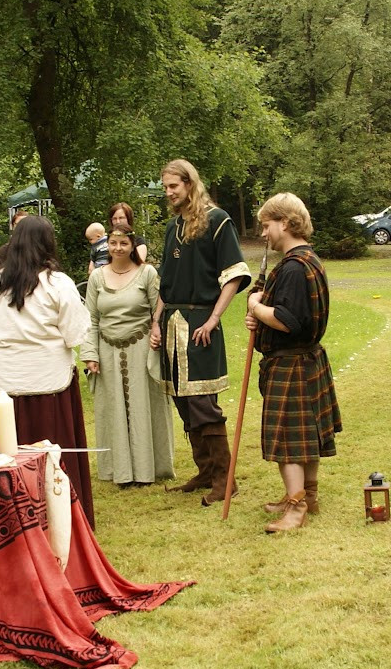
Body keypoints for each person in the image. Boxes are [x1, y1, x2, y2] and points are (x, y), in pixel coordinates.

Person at [0, 216, 94, 523]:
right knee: (53, 458)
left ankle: (6, 519)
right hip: (48, 386)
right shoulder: (58, 283)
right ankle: (61, 519)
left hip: (7, 384)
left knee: (6, 454)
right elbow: (75, 334)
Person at [150, 159, 251, 505]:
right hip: (172, 324)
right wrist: (155, 324)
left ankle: (226, 479)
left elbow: (235, 274)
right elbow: (166, 285)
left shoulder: (217, 220)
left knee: (203, 403)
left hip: (199, 326)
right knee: (183, 401)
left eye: (172, 186)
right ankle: (206, 470)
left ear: (189, 184)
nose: (168, 192)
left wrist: (213, 319)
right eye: (165, 187)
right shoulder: (172, 226)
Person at [246, 193, 341, 534]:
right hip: (305, 360)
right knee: (306, 436)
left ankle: (296, 507)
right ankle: (305, 496)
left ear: (284, 223)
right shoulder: (309, 259)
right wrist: (261, 316)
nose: (263, 234)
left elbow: (288, 320)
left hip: (291, 364)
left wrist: (257, 307)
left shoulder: (292, 268)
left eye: (266, 225)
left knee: (289, 439)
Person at [81, 228, 174, 486]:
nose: (118, 248)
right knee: (113, 409)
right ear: (107, 245)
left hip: (141, 348)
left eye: (123, 243)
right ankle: (119, 471)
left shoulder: (147, 273)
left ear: (133, 245)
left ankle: (148, 470)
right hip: (107, 349)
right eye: (113, 242)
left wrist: (157, 332)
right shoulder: (97, 277)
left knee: (143, 406)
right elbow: (90, 318)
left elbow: (159, 309)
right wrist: (90, 354)